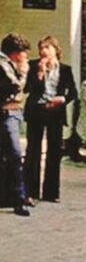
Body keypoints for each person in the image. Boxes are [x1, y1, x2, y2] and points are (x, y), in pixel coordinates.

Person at [23, 36, 76, 204]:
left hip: (55, 111)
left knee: (54, 151)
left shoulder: (65, 69)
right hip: (37, 110)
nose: (43, 51)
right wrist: (39, 74)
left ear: (55, 49)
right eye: (41, 48)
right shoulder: (33, 66)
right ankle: (30, 191)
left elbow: (73, 92)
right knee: (33, 150)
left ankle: (51, 192)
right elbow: (26, 89)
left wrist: (62, 99)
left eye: (47, 47)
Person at [0, 33, 32, 215]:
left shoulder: (7, 63)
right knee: (14, 154)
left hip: (12, 112)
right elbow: (15, 86)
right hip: (6, 113)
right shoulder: (3, 65)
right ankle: (19, 198)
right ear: (16, 52)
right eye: (23, 53)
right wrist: (24, 72)